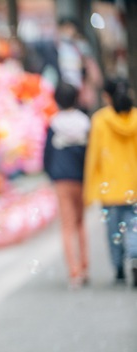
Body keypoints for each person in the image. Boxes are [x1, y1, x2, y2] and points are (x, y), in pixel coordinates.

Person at [83, 78, 137, 287]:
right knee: (134, 228)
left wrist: (89, 189)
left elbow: (93, 156)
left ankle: (119, 270)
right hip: (134, 186)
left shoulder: (100, 120)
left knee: (114, 232)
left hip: (111, 188)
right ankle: (135, 257)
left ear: (107, 96)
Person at [43, 82, 89, 288]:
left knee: (67, 226)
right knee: (80, 224)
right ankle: (85, 267)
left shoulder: (54, 123)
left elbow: (46, 155)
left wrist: (50, 174)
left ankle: (74, 272)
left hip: (62, 180)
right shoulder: (85, 122)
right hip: (81, 178)